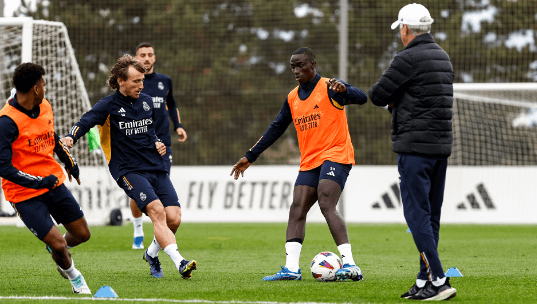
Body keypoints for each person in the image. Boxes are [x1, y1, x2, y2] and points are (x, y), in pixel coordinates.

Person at [231, 47, 367, 282]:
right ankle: (291, 268)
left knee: (326, 201)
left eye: (300, 65)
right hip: (310, 160)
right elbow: (276, 128)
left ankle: (351, 265)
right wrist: (251, 155)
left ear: (313, 65)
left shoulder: (330, 87)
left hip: (336, 154)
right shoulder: (293, 97)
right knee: (297, 208)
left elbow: (363, 98)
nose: (296, 70)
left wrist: (347, 89)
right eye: (293, 66)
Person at [61, 55, 196, 279]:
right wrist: (70, 137)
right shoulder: (108, 105)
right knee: (157, 212)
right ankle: (180, 262)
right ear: (121, 81)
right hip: (128, 170)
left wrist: (157, 143)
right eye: (136, 81)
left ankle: (151, 254)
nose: (141, 85)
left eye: (142, 81)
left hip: (155, 166)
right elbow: (85, 121)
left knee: (174, 218)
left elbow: (150, 132)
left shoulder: (145, 102)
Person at [369, 3, 456, 301]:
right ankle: (423, 281)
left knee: (416, 215)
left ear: (405, 29)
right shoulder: (443, 57)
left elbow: (377, 94)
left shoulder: (407, 58)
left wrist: (395, 101)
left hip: (414, 149)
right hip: (440, 148)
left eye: (400, 30)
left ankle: (440, 280)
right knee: (431, 216)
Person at [0, 63, 91, 294]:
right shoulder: (6, 122)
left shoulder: (44, 106)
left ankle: (56, 249)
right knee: (59, 244)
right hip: (23, 194)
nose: (46, 88)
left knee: (82, 234)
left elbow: (51, 135)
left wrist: (68, 160)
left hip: (52, 182)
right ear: (36, 89)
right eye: (44, 84)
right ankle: (75, 277)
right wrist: (39, 182)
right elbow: (3, 167)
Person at [128, 42, 187, 250]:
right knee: (138, 192)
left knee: (161, 196)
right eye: (142, 54)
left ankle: (155, 246)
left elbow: (172, 104)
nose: (146, 58)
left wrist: (178, 126)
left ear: (154, 58)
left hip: (163, 147)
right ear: (136, 58)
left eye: (150, 54)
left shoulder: (165, 81)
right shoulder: (132, 82)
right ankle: (137, 230)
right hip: (138, 148)